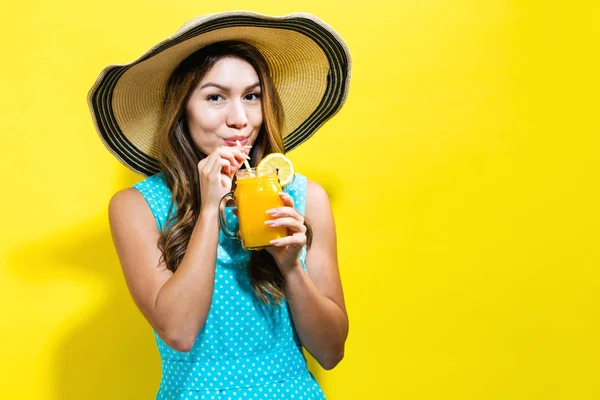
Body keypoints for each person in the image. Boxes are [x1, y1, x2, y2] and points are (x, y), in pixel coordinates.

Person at [88, 11, 352, 400]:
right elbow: (178, 331)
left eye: (252, 97)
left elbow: (330, 352)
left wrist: (291, 265)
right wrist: (209, 209)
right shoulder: (137, 206)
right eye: (215, 97)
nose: (240, 119)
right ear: (182, 110)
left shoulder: (303, 197)